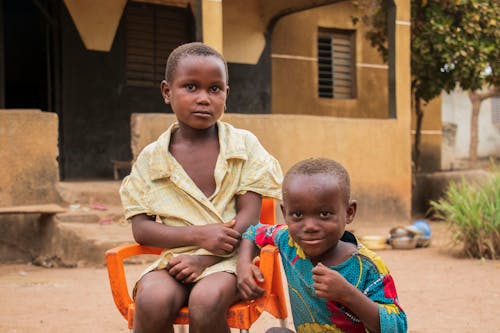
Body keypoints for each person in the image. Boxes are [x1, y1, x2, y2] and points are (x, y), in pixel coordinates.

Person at [119, 42, 283, 333]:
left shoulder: (243, 146)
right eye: (191, 87)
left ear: (226, 94)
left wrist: (204, 258)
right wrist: (196, 236)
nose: (204, 98)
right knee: (152, 300)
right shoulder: (152, 158)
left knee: (205, 300)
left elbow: (249, 217)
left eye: (214, 89)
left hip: (231, 259)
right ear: (167, 91)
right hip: (175, 261)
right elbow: (142, 229)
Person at [237, 158, 407, 333]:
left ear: (349, 212)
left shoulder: (367, 266)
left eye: (324, 214)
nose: (309, 226)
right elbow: (253, 232)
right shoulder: (288, 241)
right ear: (284, 213)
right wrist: (243, 265)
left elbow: (398, 326)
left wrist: (347, 294)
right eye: (297, 214)